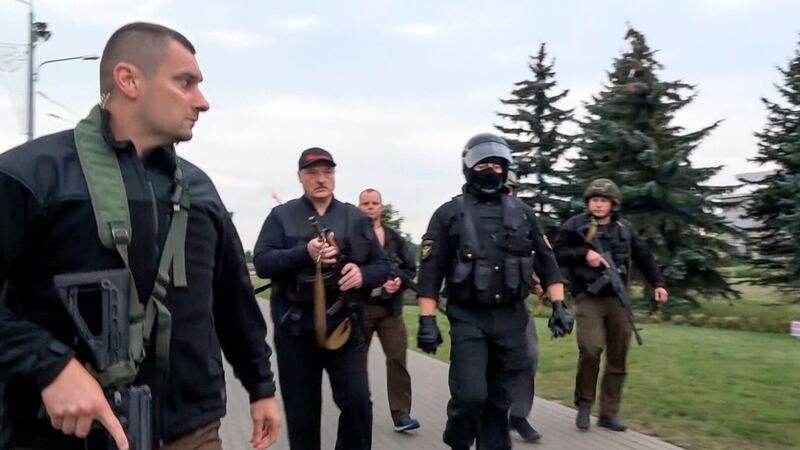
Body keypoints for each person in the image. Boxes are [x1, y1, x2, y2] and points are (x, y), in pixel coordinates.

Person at [0, 22, 280, 450]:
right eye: (185, 83)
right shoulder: (30, 177)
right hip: (59, 435)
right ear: (129, 80)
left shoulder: (201, 191)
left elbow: (231, 302)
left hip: (192, 430)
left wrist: (261, 387)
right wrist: (50, 366)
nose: (202, 102)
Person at [415, 133, 574, 450]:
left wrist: (559, 304)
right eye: (484, 164)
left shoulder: (523, 213)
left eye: (498, 165)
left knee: (499, 402)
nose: (491, 171)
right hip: (469, 318)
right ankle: (458, 440)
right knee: (471, 395)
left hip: (511, 320)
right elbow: (430, 274)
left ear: (506, 169)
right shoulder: (448, 214)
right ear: (469, 167)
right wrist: (427, 321)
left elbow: (547, 263)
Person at [253, 148, 390, 450]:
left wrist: (362, 275)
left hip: (344, 327)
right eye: (312, 173)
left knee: (357, 403)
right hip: (296, 331)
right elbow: (262, 262)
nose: (320, 179)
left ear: (334, 176)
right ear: (300, 177)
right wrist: (306, 253)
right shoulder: (281, 216)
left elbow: (383, 265)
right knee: (302, 413)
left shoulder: (355, 218)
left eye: (327, 172)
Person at [553, 178, 668, 432]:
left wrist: (658, 284)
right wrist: (585, 254)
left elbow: (644, 256)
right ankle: (584, 404)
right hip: (588, 298)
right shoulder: (575, 226)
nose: (598, 204)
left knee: (618, 356)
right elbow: (557, 252)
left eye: (603, 200)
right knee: (591, 349)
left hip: (617, 300)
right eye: (594, 199)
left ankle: (608, 413)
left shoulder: (624, 229)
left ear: (613, 204)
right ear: (588, 202)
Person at [357, 188, 421, 432]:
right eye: (366, 203)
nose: (371, 206)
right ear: (359, 207)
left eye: (375, 203)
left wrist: (399, 282)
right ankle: (359, 411)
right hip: (361, 309)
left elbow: (409, 268)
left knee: (397, 360)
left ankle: (402, 414)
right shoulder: (352, 237)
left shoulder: (394, 238)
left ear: (381, 207)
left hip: (389, 310)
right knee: (356, 363)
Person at [503, 171, 544, 442]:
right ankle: (488, 413)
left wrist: (538, 282)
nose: (505, 194)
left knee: (529, 356)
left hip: (516, 304)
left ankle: (518, 415)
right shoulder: (470, 217)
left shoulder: (524, 220)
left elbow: (536, 255)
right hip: (480, 307)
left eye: (510, 190)